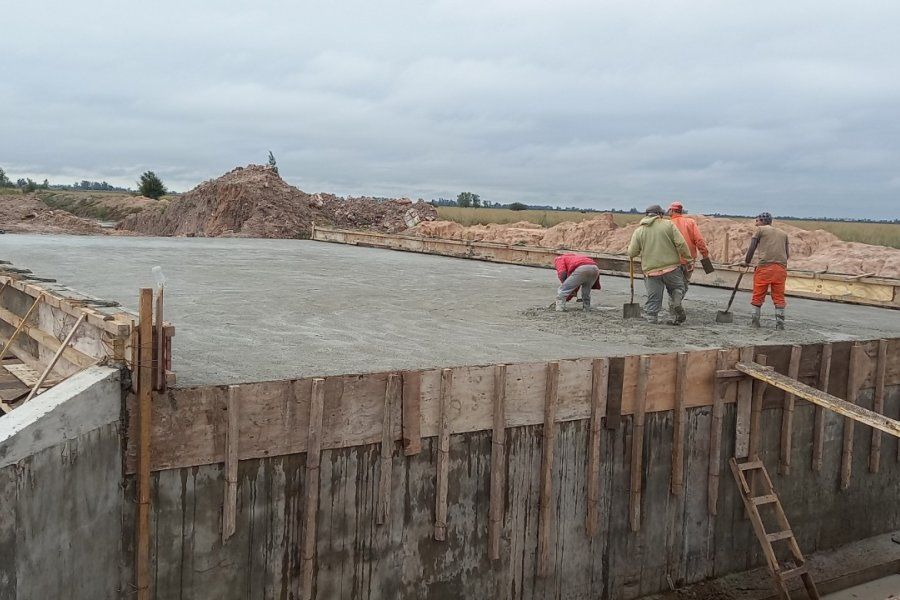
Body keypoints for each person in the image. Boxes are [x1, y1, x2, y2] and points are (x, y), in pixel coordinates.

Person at [627, 205, 693, 324]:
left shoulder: (639, 231)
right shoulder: (668, 225)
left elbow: (632, 253)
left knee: (654, 297)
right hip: (672, 268)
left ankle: (652, 318)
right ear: (660, 214)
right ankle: (676, 302)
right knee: (677, 288)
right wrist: (688, 259)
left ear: (646, 215)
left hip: (651, 271)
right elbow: (681, 244)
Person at [740, 212, 789, 330]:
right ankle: (780, 324)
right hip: (781, 269)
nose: (756, 224)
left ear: (762, 221)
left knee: (758, 295)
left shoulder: (760, 230)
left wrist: (747, 262)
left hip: (764, 268)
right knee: (779, 297)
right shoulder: (783, 234)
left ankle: (755, 322)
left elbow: (752, 247)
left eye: (757, 221)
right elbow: (787, 254)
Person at [667, 201, 710, 294]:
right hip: (688, 261)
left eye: (669, 209)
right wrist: (705, 255)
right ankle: (677, 300)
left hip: (672, 262)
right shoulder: (690, 222)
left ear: (672, 210)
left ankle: (675, 300)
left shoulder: (668, 224)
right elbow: (699, 240)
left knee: (674, 287)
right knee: (684, 284)